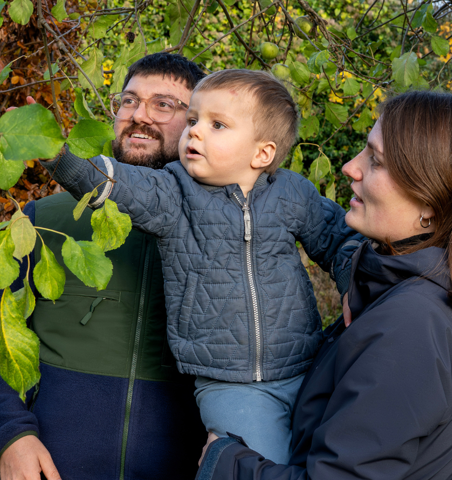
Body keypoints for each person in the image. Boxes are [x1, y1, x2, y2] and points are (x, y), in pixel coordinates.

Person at [196, 90, 452, 479]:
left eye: (376, 161)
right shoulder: (429, 300)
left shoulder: (414, 324)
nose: (350, 167)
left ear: (431, 203)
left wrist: (226, 461)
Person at [41, 69, 361, 463]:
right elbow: (115, 183)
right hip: (229, 384)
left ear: (262, 153)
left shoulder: (292, 192)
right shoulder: (174, 191)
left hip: (305, 367)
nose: (194, 132)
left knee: (321, 462)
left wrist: (352, 283)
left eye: (217, 124)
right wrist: (57, 156)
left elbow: (340, 239)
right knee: (259, 468)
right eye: (192, 120)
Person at [0, 53, 208, 480]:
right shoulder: (40, 221)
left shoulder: (223, 230)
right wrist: (11, 435)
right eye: (129, 101)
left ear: (197, 124)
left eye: (164, 104)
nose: (138, 116)